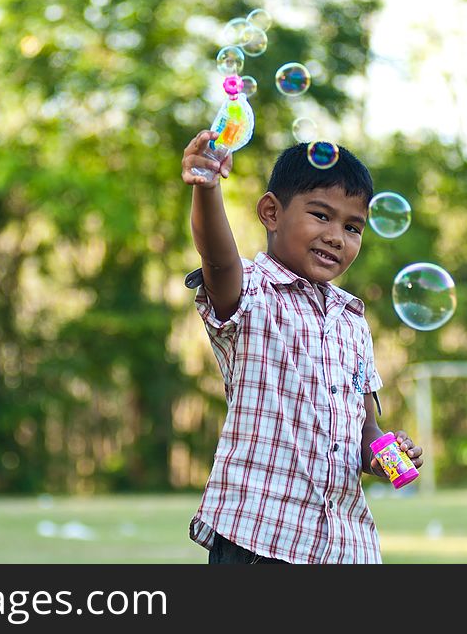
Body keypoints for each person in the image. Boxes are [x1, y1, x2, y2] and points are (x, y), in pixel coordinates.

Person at [180, 131, 424, 564]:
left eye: (352, 227)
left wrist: (387, 456)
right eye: (321, 216)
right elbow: (218, 260)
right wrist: (207, 188)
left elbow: (363, 430)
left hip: (344, 545)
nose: (336, 236)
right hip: (259, 538)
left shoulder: (353, 320)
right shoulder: (254, 293)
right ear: (271, 212)